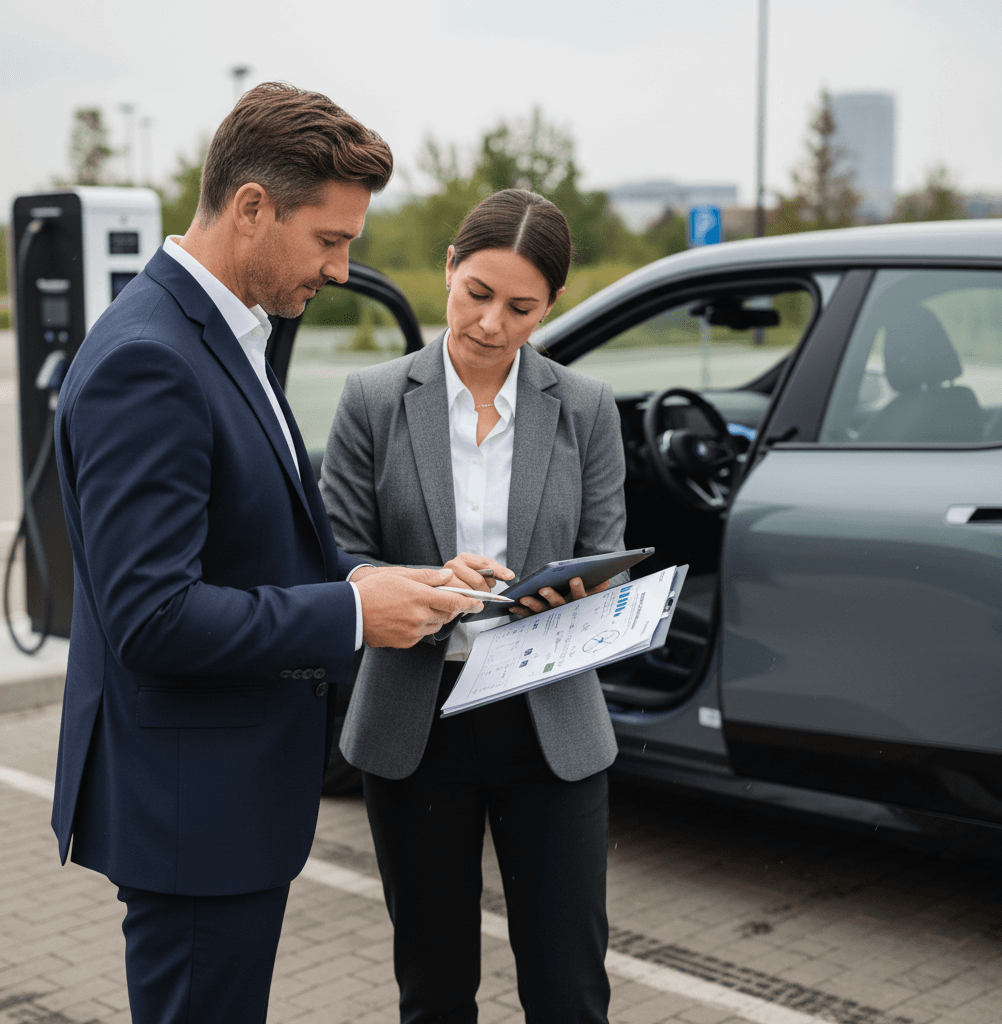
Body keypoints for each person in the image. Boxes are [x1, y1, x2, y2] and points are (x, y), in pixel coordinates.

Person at [50, 82, 482, 1024]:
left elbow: (245, 544)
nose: (339, 268)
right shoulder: (151, 359)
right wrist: (354, 615)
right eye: (329, 240)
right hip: (193, 816)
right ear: (251, 208)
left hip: (222, 803)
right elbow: (152, 616)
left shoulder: (225, 332)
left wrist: (371, 580)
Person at [319, 188, 627, 1024]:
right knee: (435, 990)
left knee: (569, 991)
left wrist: (574, 593)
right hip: (417, 724)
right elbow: (334, 559)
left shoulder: (588, 409)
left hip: (550, 721)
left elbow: (605, 553)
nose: (492, 323)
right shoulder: (374, 400)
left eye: (521, 307)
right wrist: (426, 579)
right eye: (477, 294)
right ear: (449, 270)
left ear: (551, 305)